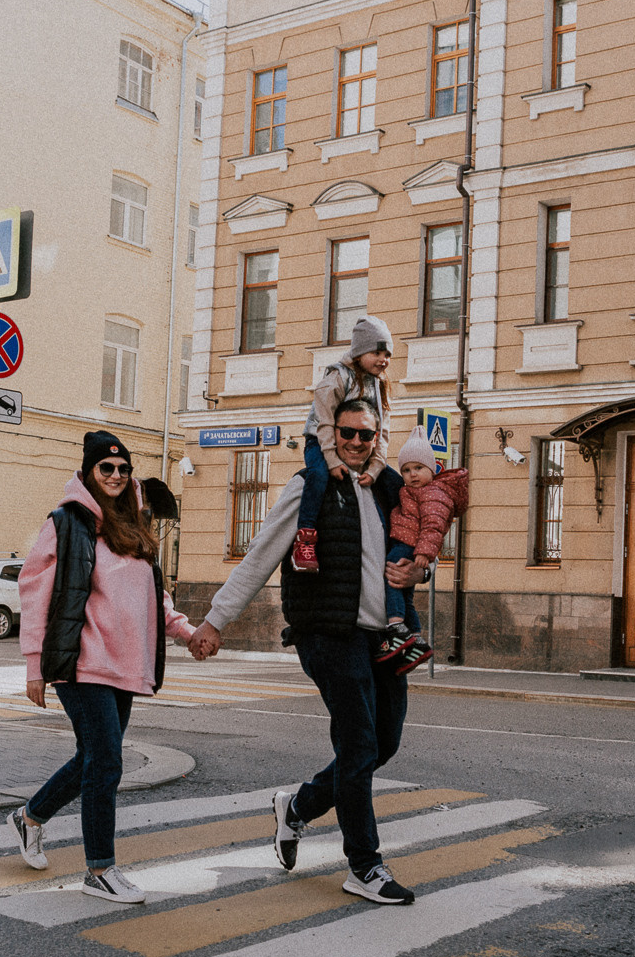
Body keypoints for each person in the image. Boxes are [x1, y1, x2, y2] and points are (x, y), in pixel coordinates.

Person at [187, 398, 423, 905]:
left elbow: (416, 551)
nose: (357, 443)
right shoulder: (311, 486)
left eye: (367, 435)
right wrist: (215, 619)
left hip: (382, 636)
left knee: (383, 743)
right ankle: (364, 865)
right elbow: (262, 553)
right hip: (328, 633)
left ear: (378, 438)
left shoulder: (388, 490)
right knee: (359, 746)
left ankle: (296, 807)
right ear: (329, 432)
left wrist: (417, 572)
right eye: (348, 433)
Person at [8, 431, 196, 905]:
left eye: (122, 469)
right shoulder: (66, 522)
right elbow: (35, 593)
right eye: (105, 468)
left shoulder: (134, 527)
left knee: (93, 758)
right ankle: (100, 870)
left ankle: (30, 817)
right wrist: (35, 666)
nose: (115, 475)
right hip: (81, 661)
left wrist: (189, 633)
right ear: (89, 473)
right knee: (107, 761)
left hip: (125, 665)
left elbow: (156, 599)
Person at [291, 315, 394, 573]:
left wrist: (377, 467)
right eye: (377, 352)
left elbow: (382, 429)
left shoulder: (379, 384)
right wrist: (332, 459)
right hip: (320, 441)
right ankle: (305, 538)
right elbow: (325, 421)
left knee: (393, 482)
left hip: (358, 445)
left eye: (387, 353)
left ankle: (401, 541)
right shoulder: (338, 377)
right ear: (359, 352)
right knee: (318, 476)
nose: (383, 359)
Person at [376, 434, 469, 673]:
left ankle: (397, 627)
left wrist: (425, 556)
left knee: (393, 579)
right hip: (408, 544)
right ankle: (416, 638)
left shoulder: (432, 493)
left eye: (418, 468)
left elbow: (434, 525)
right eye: (406, 470)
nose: (412, 474)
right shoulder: (414, 490)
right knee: (405, 595)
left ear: (434, 468)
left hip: (408, 546)